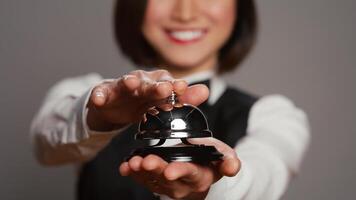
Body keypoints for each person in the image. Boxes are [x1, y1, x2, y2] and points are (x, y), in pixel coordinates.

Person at [30, 0, 310, 199]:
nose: (185, 12)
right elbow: (47, 144)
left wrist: (210, 187)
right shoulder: (86, 92)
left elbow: (262, 176)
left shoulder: (273, 114)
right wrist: (100, 116)